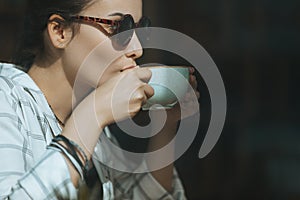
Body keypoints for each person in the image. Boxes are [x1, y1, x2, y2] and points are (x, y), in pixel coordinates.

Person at [0, 0, 199, 199]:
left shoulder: (95, 129)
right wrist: (93, 114)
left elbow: (135, 195)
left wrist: (166, 125)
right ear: (60, 31)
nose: (137, 49)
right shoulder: (6, 97)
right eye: (118, 27)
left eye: (140, 30)